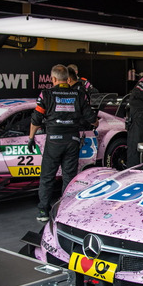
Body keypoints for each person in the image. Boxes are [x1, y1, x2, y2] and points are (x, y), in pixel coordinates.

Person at [29, 64, 98, 222]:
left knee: (47, 177)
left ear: (53, 79)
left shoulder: (46, 94)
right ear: (67, 79)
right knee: (69, 176)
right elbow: (92, 119)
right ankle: (65, 210)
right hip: (72, 140)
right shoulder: (79, 94)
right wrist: (96, 123)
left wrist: (31, 138)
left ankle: (43, 212)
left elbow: (36, 119)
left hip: (53, 140)